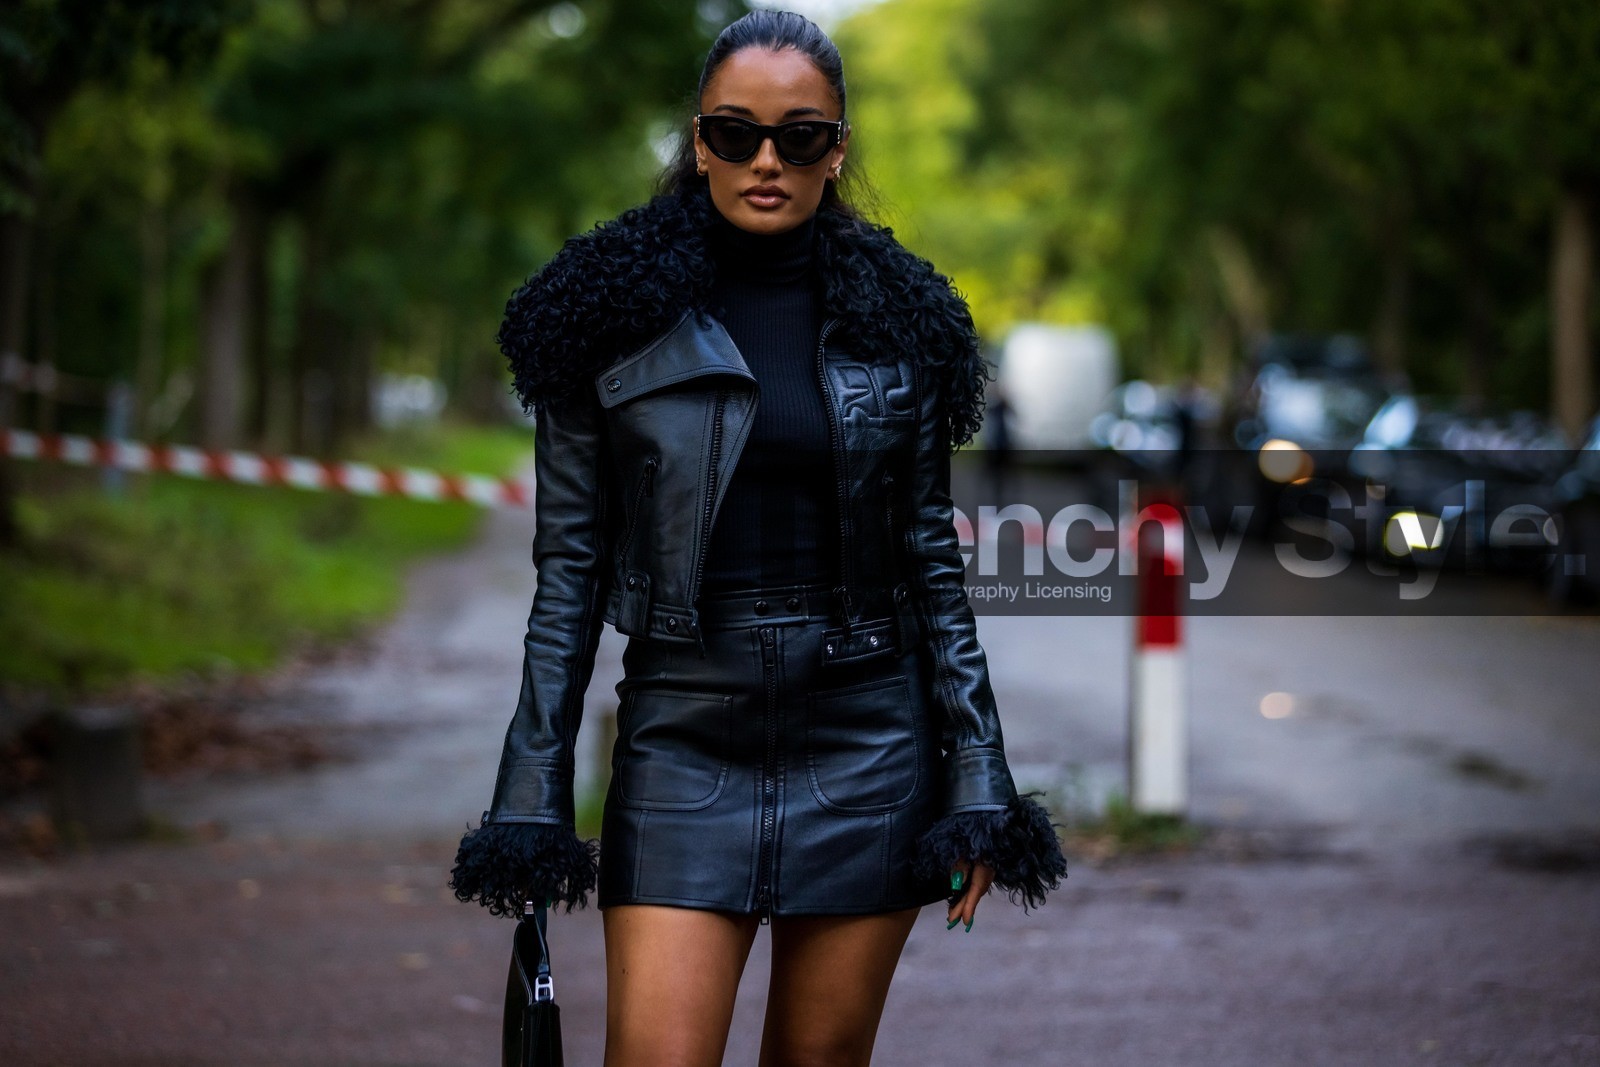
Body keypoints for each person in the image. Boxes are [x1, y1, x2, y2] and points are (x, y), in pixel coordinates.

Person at [450, 11, 1068, 1066]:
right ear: (697, 142)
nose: (767, 160)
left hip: (867, 737)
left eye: (800, 135)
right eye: (735, 134)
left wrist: (977, 782)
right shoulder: (594, 317)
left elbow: (932, 562)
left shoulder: (906, 319)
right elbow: (568, 576)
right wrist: (530, 799)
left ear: (839, 147)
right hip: (684, 733)